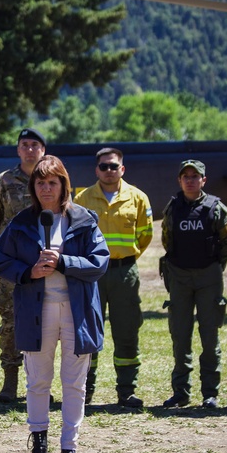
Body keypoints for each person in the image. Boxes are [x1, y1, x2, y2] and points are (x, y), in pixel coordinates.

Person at [0, 155, 108, 453]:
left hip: (77, 311)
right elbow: (0, 261)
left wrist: (63, 263)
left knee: (74, 383)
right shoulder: (22, 222)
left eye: (52, 183)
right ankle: (39, 445)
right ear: (33, 187)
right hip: (36, 311)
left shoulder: (84, 220)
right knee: (38, 382)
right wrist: (29, 271)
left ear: (63, 185)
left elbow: (100, 263)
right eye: (40, 183)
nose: (46, 189)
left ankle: (69, 448)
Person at [73, 148, 153, 407]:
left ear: (122, 169)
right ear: (96, 170)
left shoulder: (138, 198)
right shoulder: (83, 198)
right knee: (88, 332)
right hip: (91, 274)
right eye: (104, 167)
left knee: (127, 331)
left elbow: (145, 234)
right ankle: (86, 390)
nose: (109, 171)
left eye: (113, 166)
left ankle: (126, 391)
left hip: (124, 273)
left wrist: (126, 257)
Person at [159, 160, 227, 409]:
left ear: (204, 180)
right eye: (185, 176)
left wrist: (214, 268)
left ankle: (210, 393)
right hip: (180, 277)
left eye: (195, 176)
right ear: (179, 180)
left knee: (209, 336)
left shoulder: (215, 207)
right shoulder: (173, 207)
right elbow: (167, 239)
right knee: (180, 336)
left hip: (208, 278)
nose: (190, 180)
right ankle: (181, 392)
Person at [0, 127, 46, 402]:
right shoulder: (5, 181)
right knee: (10, 322)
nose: (29, 149)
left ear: (43, 150)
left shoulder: (51, 179)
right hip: (14, 266)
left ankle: (39, 383)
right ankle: (10, 381)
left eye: (35, 145)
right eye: (24, 145)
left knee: (45, 323)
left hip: (46, 263)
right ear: (18, 150)